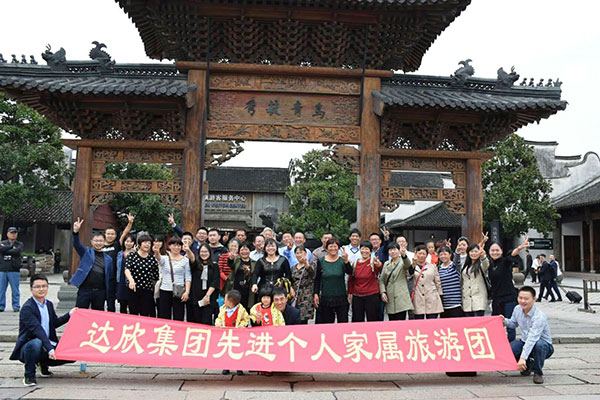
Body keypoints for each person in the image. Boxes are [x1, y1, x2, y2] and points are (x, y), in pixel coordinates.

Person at [11, 274, 76, 386]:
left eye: (44, 286)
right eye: (37, 287)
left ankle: (42, 364)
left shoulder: (48, 304)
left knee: (72, 354)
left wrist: (70, 314)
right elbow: (38, 330)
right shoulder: (27, 308)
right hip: (29, 347)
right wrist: (50, 349)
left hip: (47, 345)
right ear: (31, 289)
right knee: (36, 343)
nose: (41, 289)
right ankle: (29, 375)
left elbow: (54, 323)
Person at [504, 286, 554, 384]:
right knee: (509, 350)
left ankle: (538, 372)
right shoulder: (517, 309)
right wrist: (504, 321)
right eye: (520, 298)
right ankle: (528, 365)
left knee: (539, 345)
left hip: (543, 345)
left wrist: (522, 358)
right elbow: (513, 323)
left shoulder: (539, 317)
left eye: (526, 299)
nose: (523, 301)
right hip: (524, 341)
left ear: (534, 299)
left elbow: (532, 339)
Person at [488, 238, 531, 342]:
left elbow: (512, 254)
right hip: (496, 299)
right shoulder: (490, 265)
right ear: (489, 251)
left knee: (510, 325)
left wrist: (520, 248)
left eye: (497, 250)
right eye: (492, 250)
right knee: (496, 323)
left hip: (508, 298)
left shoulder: (505, 261)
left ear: (501, 251)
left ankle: (511, 346)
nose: (495, 252)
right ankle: (499, 343)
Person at [70, 218, 115, 312]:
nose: (98, 243)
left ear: (104, 242)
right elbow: (76, 244)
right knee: (80, 312)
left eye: (100, 241)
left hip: (100, 291)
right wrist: (75, 232)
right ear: (92, 242)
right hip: (85, 290)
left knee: (97, 315)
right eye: (96, 241)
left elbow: (109, 277)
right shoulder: (86, 252)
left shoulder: (108, 259)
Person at [313, 237, 352, 324]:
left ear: (338, 248)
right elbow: (317, 279)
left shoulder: (342, 260)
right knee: (327, 324)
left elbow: (350, 272)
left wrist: (346, 261)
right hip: (326, 297)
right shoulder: (321, 261)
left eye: (335, 246)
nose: (333, 248)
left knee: (343, 323)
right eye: (330, 246)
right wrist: (315, 293)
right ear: (327, 248)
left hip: (341, 297)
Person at [215, 290, 250, 376]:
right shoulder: (223, 309)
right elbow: (219, 318)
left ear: (230, 302)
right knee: (226, 351)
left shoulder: (241, 310)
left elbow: (246, 319)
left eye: (225, 299)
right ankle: (226, 367)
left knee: (238, 351)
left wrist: (241, 326)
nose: (224, 301)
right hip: (226, 335)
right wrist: (219, 324)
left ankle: (239, 367)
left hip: (237, 336)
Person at [156, 237, 192, 321]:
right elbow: (158, 258)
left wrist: (187, 292)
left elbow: (188, 277)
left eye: (178, 245)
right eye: (174, 245)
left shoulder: (185, 260)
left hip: (179, 291)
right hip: (165, 289)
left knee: (178, 316)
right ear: (169, 246)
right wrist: (156, 252)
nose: (176, 247)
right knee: (164, 315)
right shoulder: (164, 258)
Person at [124, 235, 160, 317]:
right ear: (140, 244)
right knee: (133, 313)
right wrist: (131, 281)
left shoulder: (152, 259)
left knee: (145, 313)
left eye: (149, 243)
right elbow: (127, 269)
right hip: (133, 289)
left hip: (147, 291)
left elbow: (155, 277)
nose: (147, 244)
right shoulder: (132, 255)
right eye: (145, 242)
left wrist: (149, 286)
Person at [348, 241, 383, 322]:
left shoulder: (373, 262)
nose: (364, 251)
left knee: (373, 320)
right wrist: (349, 293)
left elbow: (379, 267)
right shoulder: (355, 263)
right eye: (362, 249)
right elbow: (351, 280)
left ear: (370, 251)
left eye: (366, 249)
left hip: (372, 296)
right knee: (357, 320)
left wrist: (378, 264)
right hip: (357, 296)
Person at [379, 242, 413, 320]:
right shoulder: (386, 264)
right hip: (390, 296)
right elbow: (382, 280)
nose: (392, 251)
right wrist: (383, 292)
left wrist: (404, 256)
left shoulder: (403, 261)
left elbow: (408, 265)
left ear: (398, 250)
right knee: (392, 321)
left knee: (401, 321)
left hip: (401, 296)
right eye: (390, 250)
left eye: (394, 249)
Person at [410, 244, 443, 319]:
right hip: (417, 297)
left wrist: (440, 295)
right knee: (419, 322)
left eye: (423, 254)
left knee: (432, 322)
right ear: (416, 254)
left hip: (431, 297)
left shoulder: (433, 266)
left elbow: (437, 282)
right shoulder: (412, 267)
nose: (421, 256)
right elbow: (409, 275)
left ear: (427, 255)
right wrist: (413, 264)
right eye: (419, 253)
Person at [190, 243, 219, 325]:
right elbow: (191, 258)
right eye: (202, 251)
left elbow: (215, 281)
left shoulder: (214, 265)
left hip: (209, 297)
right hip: (196, 296)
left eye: (206, 251)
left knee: (206, 321)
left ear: (209, 252)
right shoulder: (195, 265)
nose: (204, 254)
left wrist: (207, 296)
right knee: (196, 321)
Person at [461, 243, 489, 317]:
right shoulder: (465, 265)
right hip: (467, 301)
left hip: (479, 300)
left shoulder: (481, 264)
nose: (473, 253)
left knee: (478, 322)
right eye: (471, 251)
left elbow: (486, 265)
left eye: (476, 251)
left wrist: (483, 257)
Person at [226, 241, 255, 310]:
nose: (244, 252)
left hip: (248, 290)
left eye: (246, 249)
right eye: (242, 250)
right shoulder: (236, 260)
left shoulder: (254, 262)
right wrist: (231, 258)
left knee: (247, 308)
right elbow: (230, 264)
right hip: (236, 287)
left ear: (250, 251)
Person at [0, 227, 24, 312]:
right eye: (11, 233)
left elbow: (17, 251)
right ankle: (1, 306)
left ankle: (16, 306)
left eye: (15, 233)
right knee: (1, 290)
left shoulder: (19, 244)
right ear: (7, 234)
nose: (13, 234)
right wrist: (11, 247)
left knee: (15, 290)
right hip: (2, 269)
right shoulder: (2, 243)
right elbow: (1, 249)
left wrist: (6, 249)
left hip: (14, 269)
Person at [290, 245, 315, 324]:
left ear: (305, 253)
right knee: (294, 317)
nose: (299, 255)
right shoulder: (293, 267)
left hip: (306, 295)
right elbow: (291, 280)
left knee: (303, 319)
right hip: (295, 295)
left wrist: (306, 263)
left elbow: (312, 274)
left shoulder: (311, 265)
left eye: (301, 252)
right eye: (297, 253)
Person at [437, 246, 463, 318]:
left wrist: (457, 252)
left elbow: (457, 260)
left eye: (445, 254)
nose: (443, 256)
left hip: (455, 304)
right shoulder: (438, 268)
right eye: (441, 254)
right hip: (443, 305)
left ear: (450, 255)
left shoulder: (454, 266)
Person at [115, 234, 136, 314]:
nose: (129, 243)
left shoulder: (136, 254)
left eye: (131, 242)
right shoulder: (120, 254)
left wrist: (134, 253)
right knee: (122, 305)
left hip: (131, 282)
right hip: (121, 281)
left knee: (132, 305)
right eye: (127, 241)